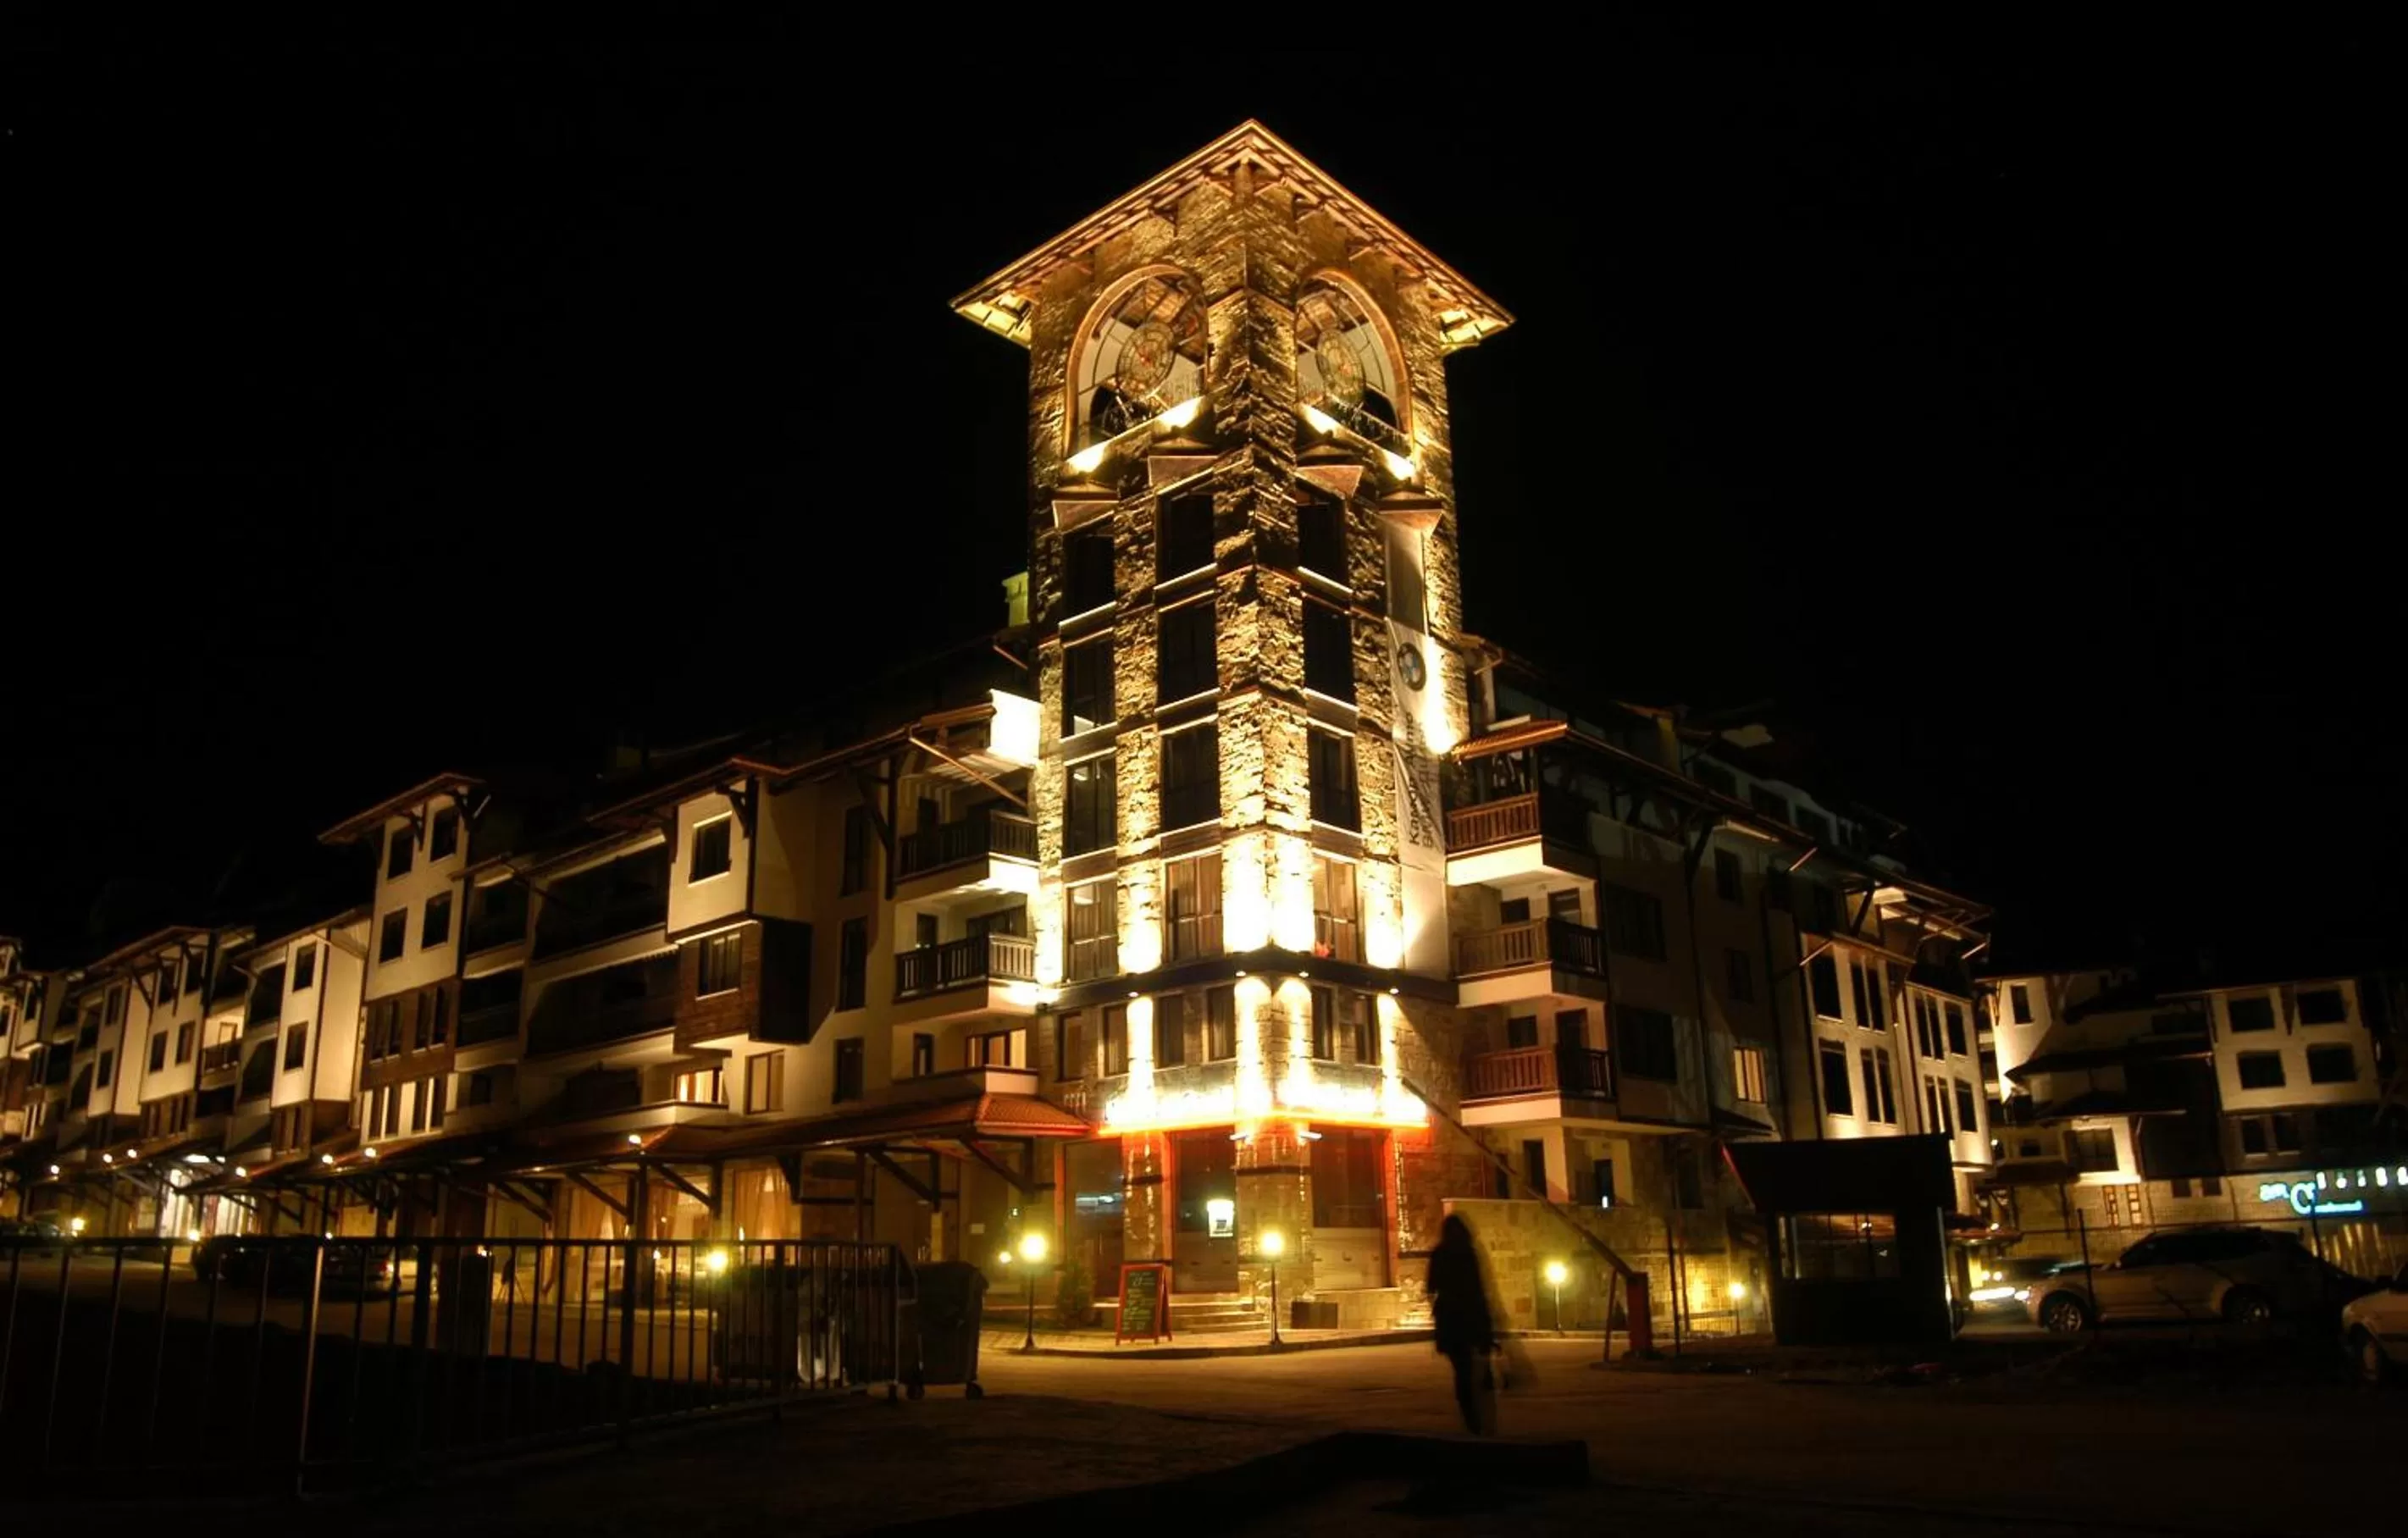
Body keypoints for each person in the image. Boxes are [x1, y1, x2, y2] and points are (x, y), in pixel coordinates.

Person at [1427, 1213, 1497, 1435]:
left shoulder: (1439, 1254)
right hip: (1470, 1318)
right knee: (1473, 1368)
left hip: (1450, 1320)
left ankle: (1470, 1415)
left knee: (1462, 1370)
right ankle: (1478, 1418)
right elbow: (1478, 1289)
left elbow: (1431, 1287)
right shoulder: (1469, 1254)